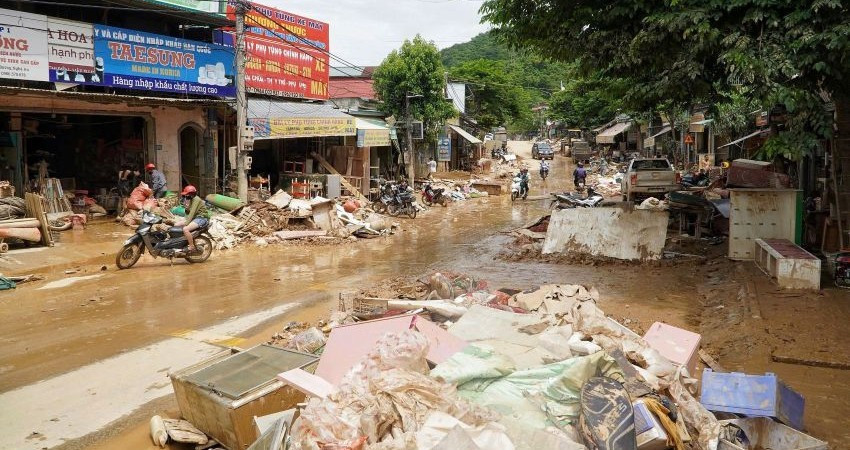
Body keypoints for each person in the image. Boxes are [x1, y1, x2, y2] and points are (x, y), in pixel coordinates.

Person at [174, 185, 207, 254]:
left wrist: (186, 223)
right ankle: (181, 242)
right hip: (195, 218)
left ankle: (191, 246)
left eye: (187, 195)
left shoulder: (197, 199)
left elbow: (192, 213)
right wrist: (186, 207)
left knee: (185, 229)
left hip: (201, 218)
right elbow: (188, 213)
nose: (186, 196)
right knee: (176, 224)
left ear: (192, 194)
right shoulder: (191, 200)